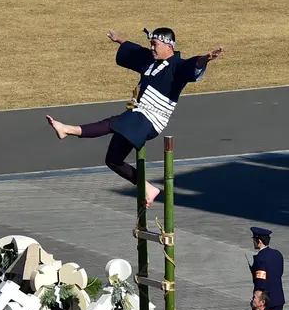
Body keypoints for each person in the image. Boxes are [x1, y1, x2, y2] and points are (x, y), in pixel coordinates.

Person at [46, 29, 222, 206]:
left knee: (114, 123)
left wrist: (206, 58)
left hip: (151, 119)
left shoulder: (178, 67)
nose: (151, 48)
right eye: (151, 43)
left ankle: (68, 129)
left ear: (169, 46)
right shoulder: (151, 61)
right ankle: (148, 188)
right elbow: (136, 51)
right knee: (113, 160)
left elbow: (194, 64)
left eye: (155, 44)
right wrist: (119, 40)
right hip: (137, 115)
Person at [250, 227, 288, 310]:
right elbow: (278, 273)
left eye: (255, 240)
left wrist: (257, 298)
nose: (254, 243)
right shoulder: (277, 254)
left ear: (259, 241)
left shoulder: (260, 258)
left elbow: (261, 281)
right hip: (278, 296)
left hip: (265, 299)